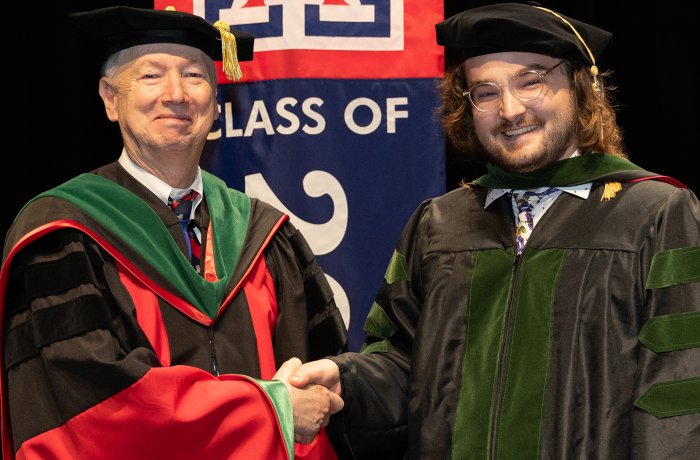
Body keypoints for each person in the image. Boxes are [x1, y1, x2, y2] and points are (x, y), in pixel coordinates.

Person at [291, 2, 700, 459]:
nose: (509, 110)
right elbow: (403, 365)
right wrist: (345, 379)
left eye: (531, 81)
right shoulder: (438, 225)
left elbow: (679, 393)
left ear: (582, 89)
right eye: (485, 92)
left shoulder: (654, 214)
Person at [0, 6, 348, 460]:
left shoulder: (266, 233)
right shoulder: (64, 233)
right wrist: (271, 410)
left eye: (194, 76)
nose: (176, 94)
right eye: (150, 76)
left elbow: (322, 375)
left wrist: (327, 386)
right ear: (109, 98)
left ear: (216, 99)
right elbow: (86, 404)